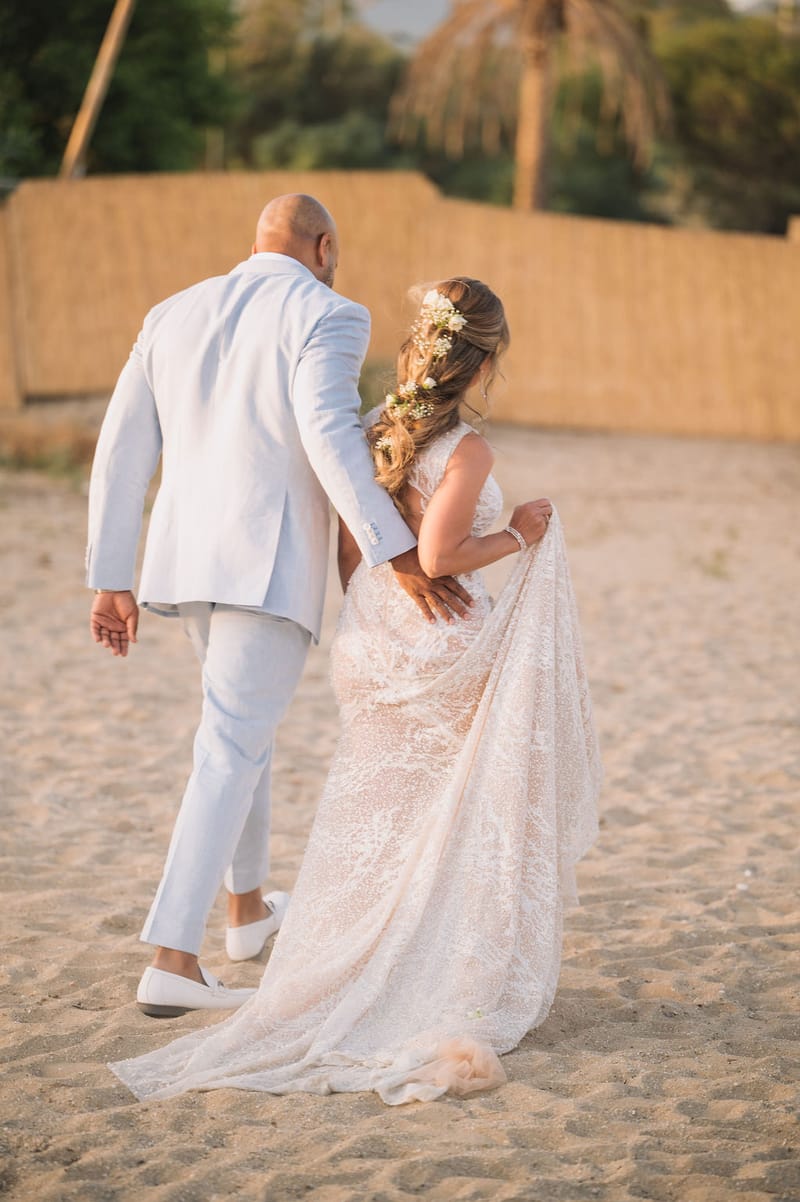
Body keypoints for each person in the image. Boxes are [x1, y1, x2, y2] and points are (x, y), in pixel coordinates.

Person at [109, 277, 602, 1105]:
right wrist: (518, 533)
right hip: (438, 648)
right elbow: (440, 557)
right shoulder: (467, 451)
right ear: (483, 366)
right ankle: (439, 967)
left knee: (372, 818)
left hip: (369, 641)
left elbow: (350, 549)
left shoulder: (374, 431)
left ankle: (357, 956)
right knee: (464, 805)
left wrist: (376, 605)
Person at [86, 195, 473, 1018]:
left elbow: (122, 447)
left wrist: (110, 576)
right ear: (323, 246)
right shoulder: (329, 313)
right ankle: (171, 960)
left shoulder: (173, 311)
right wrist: (395, 551)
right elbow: (327, 432)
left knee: (240, 736)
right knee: (230, 747)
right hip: (265, 564)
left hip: (182, 561)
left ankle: (248, 911)